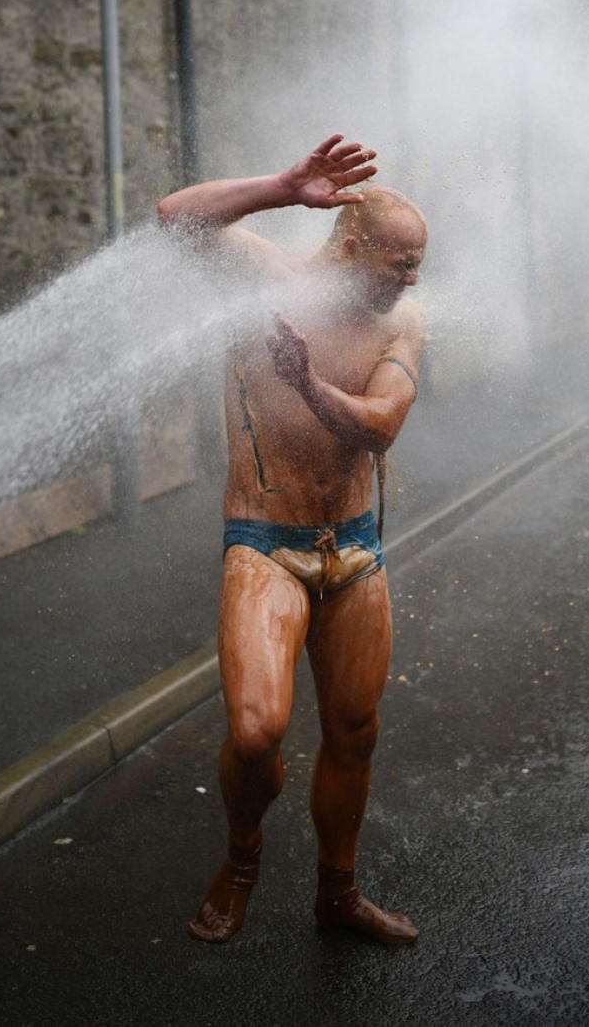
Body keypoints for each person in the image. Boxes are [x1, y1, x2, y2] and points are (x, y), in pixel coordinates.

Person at [157, 134, 427, 946]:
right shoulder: (266, 285)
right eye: (397, 264)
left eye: (417, 267)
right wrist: (279, 185)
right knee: (254, 731)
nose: (410, 282)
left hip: (352, 547)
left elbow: (380, 427)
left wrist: (308, 383)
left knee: (355, 730)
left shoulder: (403, 321)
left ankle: (336, 895)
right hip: (264, 541)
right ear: (349, 245)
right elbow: (174, 219)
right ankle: (242, 860)